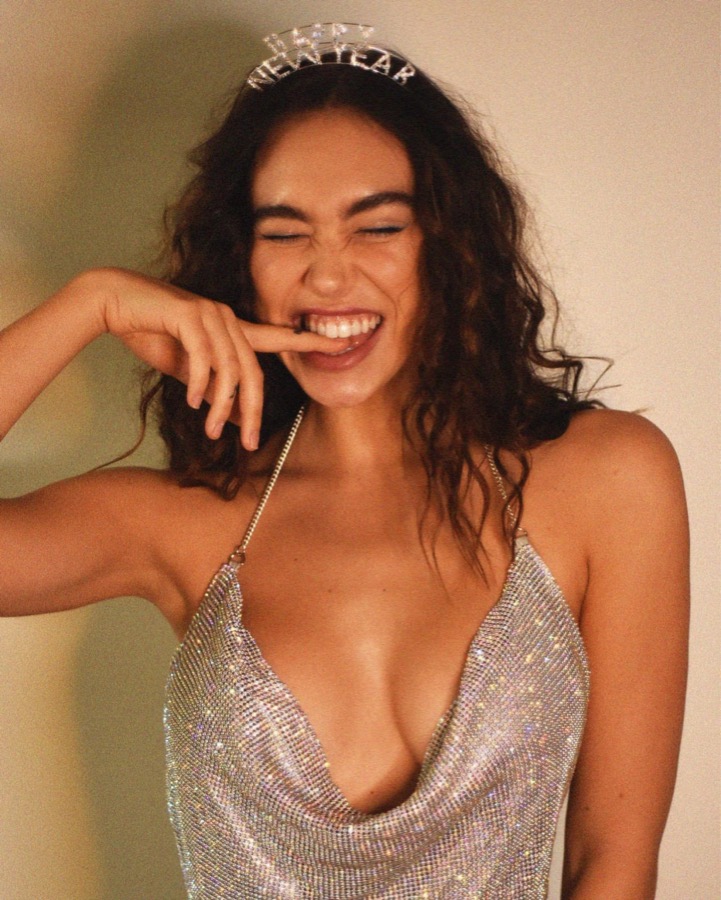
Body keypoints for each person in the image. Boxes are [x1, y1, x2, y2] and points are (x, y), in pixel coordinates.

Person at [0, 23, 688, 899]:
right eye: (285, 234)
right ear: (242, 262)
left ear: (449, 242)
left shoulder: (606, 479)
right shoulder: (182, 522)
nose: (328, 277)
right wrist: (88, 305)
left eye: (378, 227)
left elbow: (613, 861)